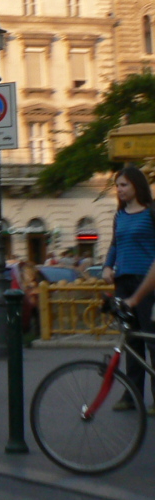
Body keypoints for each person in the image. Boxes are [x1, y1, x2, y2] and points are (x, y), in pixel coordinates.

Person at [103, 166, 155, 413]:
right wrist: (106, 266)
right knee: (131, 341)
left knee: (152, 340)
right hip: (123, 282)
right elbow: (115, 244)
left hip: (147, 285)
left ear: (136, 185)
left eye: (124, 184)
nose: (120, 189)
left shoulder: (151, 212)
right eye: (117, 185)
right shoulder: (120, 215)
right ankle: (131, 395)